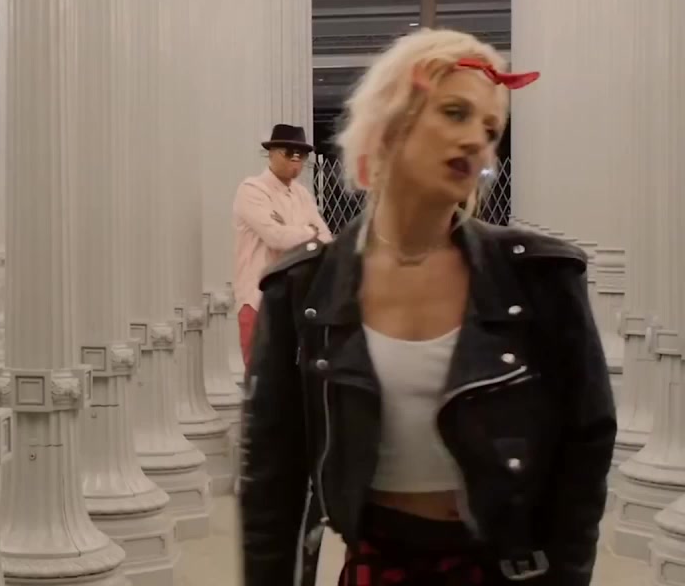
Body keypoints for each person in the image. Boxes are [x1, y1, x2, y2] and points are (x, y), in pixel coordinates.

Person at [239, 29, 615, 586]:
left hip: (500, 571)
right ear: (392, 121)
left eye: (490, 129)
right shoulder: (304, 286)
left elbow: (584, 456)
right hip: (376, 567)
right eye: (455, 112)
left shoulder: (540, 276)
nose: (476, 140)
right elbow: (272, 477)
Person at [232, 124, 331, 370]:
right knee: (261, 374)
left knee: (294, 375)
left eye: (302, 154)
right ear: (272, 153)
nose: (296, 160)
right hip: (259, 298)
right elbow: (276, 237)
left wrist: (296, 232)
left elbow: (326, 238)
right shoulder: (252, 190)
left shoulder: (302, 194)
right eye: (289, 152)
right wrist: (309, 232)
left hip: (297, 300)